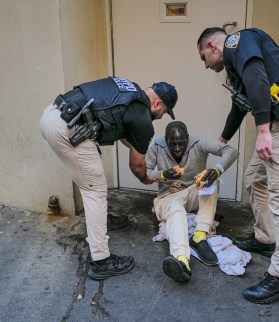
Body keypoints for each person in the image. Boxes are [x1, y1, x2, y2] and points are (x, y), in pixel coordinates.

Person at [197, 27, 279, 303]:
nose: (205, 65)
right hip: (278, 124)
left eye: (204, 58)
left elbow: (257, 77)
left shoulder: (239, 42)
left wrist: (262, 131)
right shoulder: (235, 65)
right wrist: (223, 138)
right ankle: (266, 239)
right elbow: (241, 104)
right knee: (255, 179)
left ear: (213, 46)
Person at [40, 76, 178, 280]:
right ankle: (101, 261)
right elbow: (136, 165)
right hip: (69, 127)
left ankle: (100, 221)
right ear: (158, 103)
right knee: (94, 190)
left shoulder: (131, 91)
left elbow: (121, 128)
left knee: (89, 182)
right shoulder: (142, 118)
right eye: (165, 111)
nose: (162, 115)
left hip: (54, 115)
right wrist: (146, 178)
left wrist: (137, 147)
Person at [146, 121, 239, 282]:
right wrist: (162, 175)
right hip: (167, 198)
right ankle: (182, 260)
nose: (176, 148)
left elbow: (231, 150)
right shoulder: (157, 147)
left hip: (192, 194)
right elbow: (144, 172)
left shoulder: (198, 143)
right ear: (165, 139)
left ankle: (199, 235)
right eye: (172, 144)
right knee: (176, 208)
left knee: (210, 180)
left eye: (180, 144)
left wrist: (217, 170)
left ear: (187, 139)